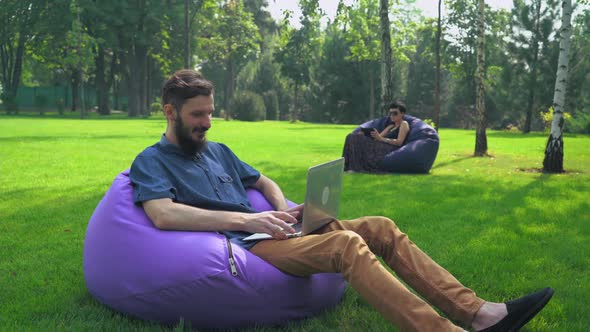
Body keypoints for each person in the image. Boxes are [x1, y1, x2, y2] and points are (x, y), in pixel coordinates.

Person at [129, 69, 553, 332]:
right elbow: (162, 215)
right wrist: (245, 222)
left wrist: (287, 206)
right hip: (253, 246)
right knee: (348, 245)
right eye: (198, 115)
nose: (207, 122)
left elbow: (263, 179)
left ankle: (480, 313)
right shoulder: (152, 160)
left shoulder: (218, 150)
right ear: (169, 112)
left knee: (382, 226)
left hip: (278, 228)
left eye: (210, 113)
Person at [342, 101, 410, 173]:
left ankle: (354, 168)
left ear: (402, 114)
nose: (392, 115)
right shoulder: (391, 126)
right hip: (381, 146)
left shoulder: (404, 124)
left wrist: (381, 139)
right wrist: (365, 135)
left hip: (392, 149)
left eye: (395, 113)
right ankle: (347, 166)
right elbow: (377, 138)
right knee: (351, 137)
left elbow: (399, 142)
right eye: (390, 113)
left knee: (355, 138)